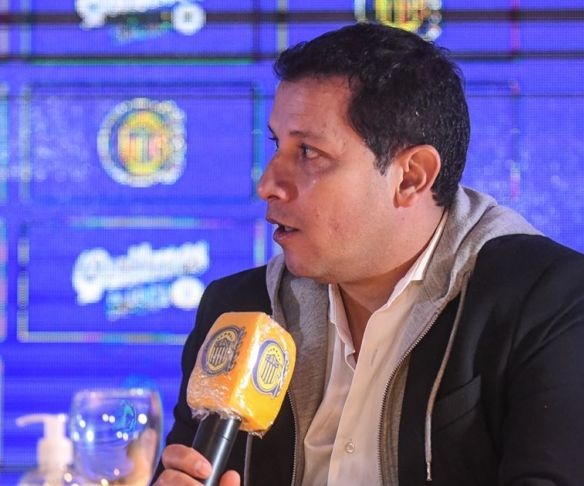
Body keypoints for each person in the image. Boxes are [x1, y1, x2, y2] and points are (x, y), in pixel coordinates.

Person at [152, 22, 584, 486]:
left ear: (411, 176)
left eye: (309, 152)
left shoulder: (551, 302)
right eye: (278, 144)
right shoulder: (239, 309)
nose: (268, 184)